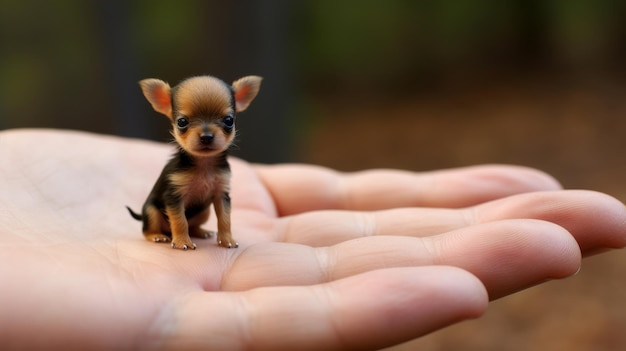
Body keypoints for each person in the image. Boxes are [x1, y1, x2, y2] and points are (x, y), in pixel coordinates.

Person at [0, 129, 624, 350]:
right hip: (164, 224)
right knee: (165, 218)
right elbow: (167, 205)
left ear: (236, 117)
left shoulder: (222, 174)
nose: (210, 138)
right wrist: (169, 235)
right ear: (170, 118)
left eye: (223, 125)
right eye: (194, 127)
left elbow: (220, 202)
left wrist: (226, 232)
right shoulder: (178, 172)